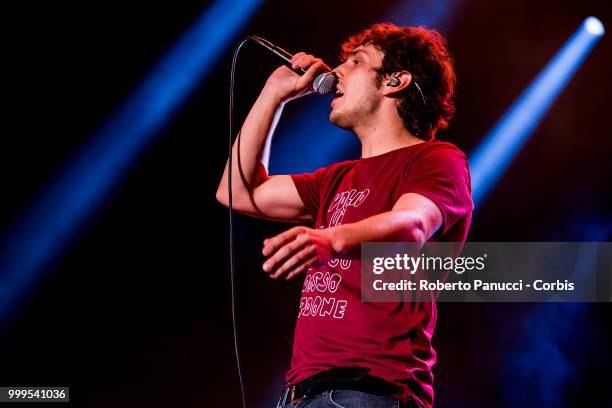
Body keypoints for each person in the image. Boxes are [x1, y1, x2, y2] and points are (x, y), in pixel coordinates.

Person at [216, 23, 473, 408]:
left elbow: (414, 223)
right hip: (302, 395)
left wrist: (331, 237)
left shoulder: (436, 159)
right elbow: (236, 191)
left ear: (395, 81)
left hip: (366, 390)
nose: (335, 72)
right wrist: (274, 95)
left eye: (356, 62)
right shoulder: (336, 178)